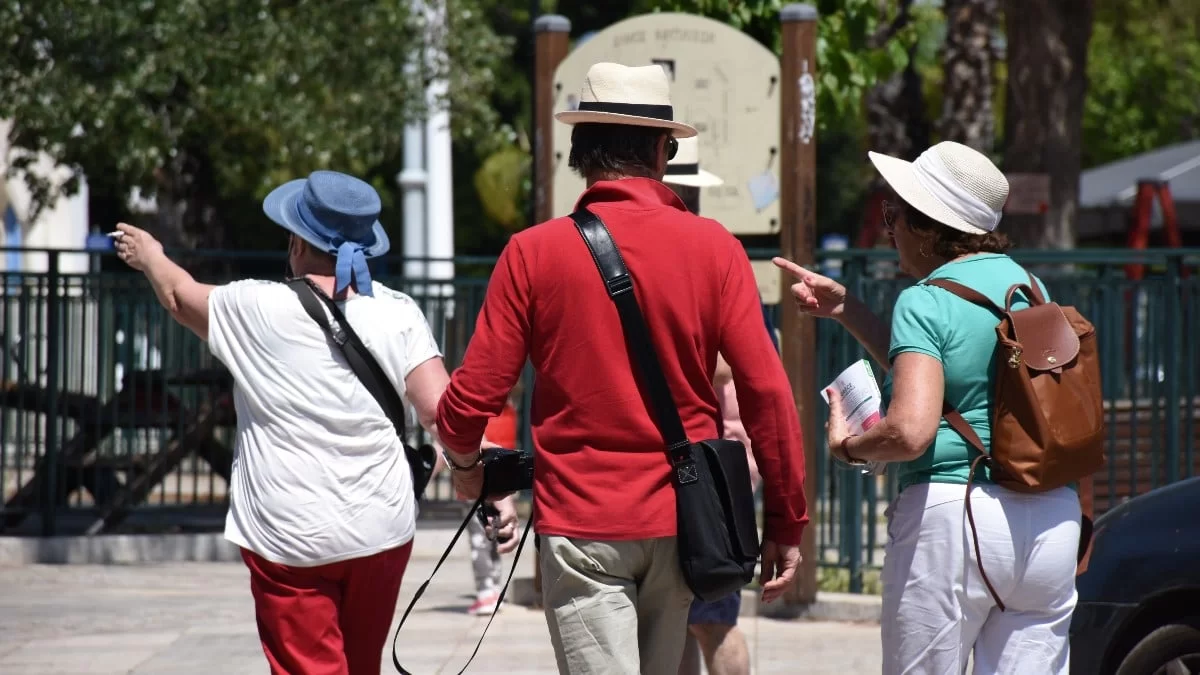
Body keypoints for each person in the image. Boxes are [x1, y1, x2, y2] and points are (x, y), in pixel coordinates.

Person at [435, 62, 808, 675]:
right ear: (664, 151)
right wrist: (786, 519)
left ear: (580, 150)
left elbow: (470, 399)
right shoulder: (716, 249)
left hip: (581, 521)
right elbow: (767, 392)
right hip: (683, 522)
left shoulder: (532, 253)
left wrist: (469, 466)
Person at [110, 170, 514, 675]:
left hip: (289, 535)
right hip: (380, 530)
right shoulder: (398, 312)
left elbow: (177, 296)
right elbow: (441, 413)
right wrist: (485, 482)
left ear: (298, 239)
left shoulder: (254, 306)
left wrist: (150, 254)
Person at [775, 141, 1080, 674]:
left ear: (928, 225)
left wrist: (848, 447)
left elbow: (911, 431)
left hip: (954, 517)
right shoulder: (1031, 288)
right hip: (1050, 518)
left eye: (894, 215)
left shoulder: (925, 299)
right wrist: (850, 309)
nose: (889, 227)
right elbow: (959, 377)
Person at [663, 136, 762, 675]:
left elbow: (729, 363)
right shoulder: (714, 252)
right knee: (677, 618)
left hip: (712, 471)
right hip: (710, 466)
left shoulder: (711, 254)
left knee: (714, 617)